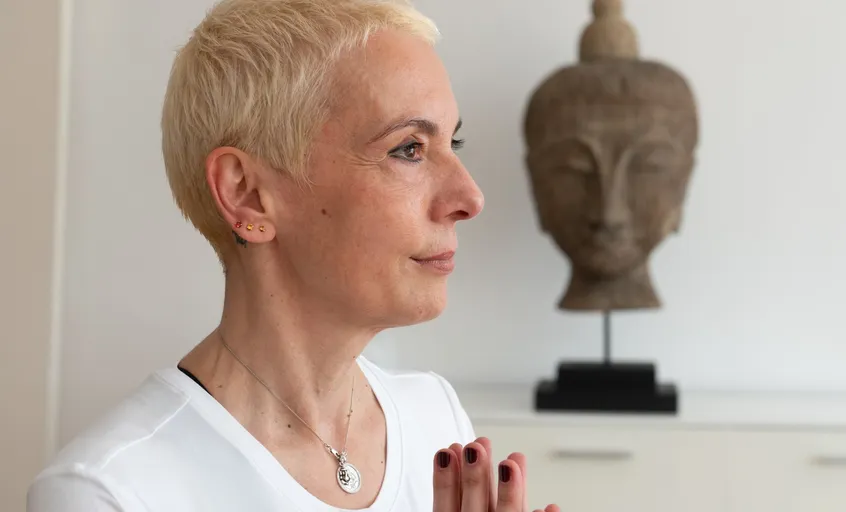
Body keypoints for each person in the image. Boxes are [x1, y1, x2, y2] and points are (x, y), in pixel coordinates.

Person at [26, 0, 560, 511]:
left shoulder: (435, 422)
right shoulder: (110, 490)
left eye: (453, 145)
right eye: (408, 149)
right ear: (247, 194)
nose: (469, 197)